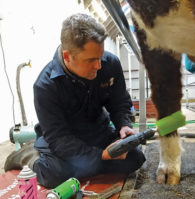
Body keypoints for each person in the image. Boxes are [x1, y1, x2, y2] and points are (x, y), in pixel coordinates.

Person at [7, 13, 146, 188]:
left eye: (100, 56)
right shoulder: (45, 86)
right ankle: (29, 155)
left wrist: (124, 126)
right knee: (53, 175)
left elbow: (119, 102)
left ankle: (89, 164)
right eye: (91, 60)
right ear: (67, 57)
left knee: (135, 158)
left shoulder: (110, 63)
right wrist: (102, 156)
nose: (99, 66)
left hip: (98, 133)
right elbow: (59, 139)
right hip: (64, 141)